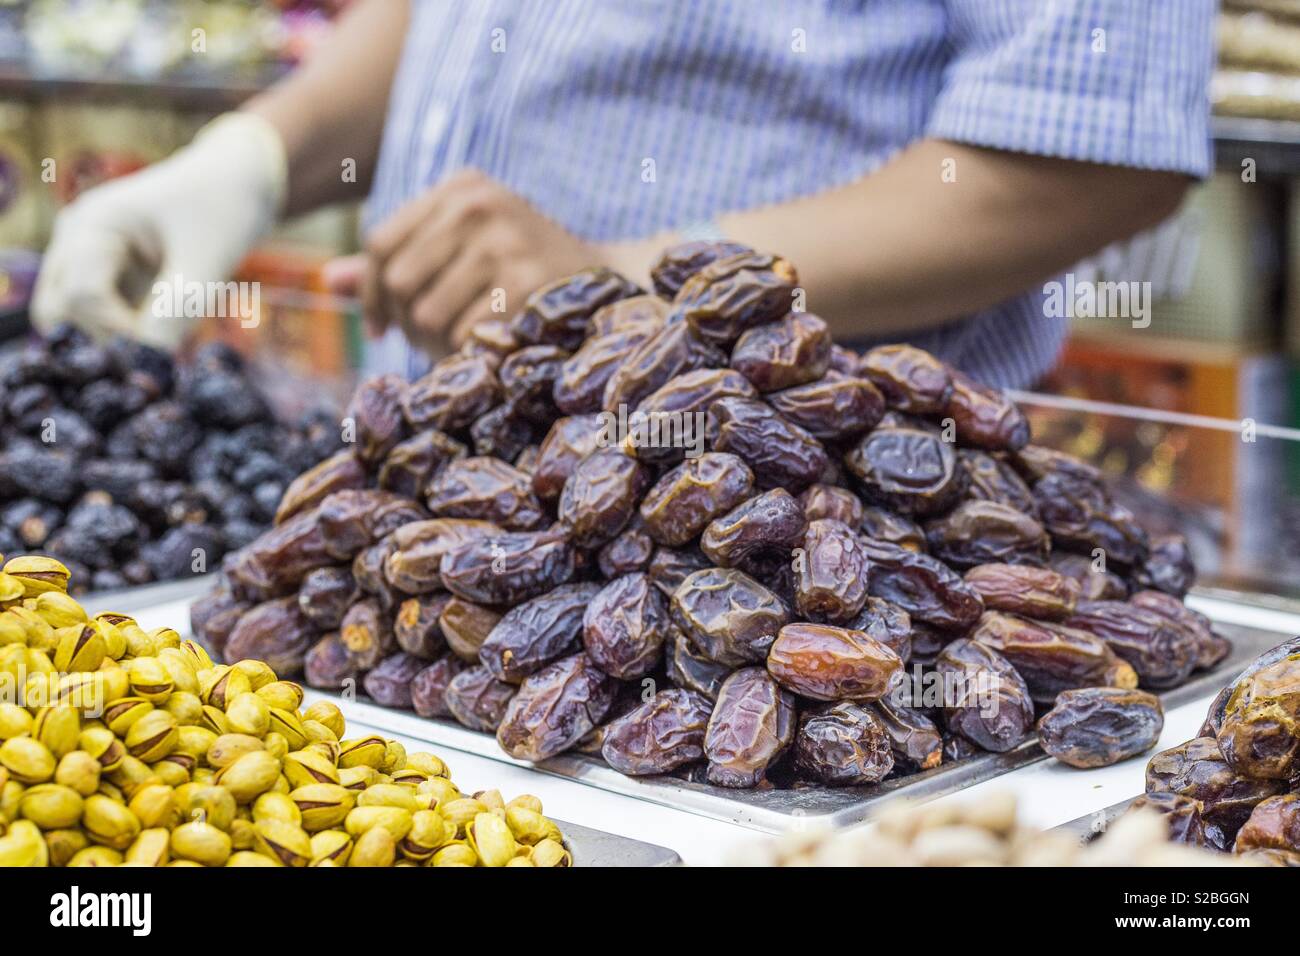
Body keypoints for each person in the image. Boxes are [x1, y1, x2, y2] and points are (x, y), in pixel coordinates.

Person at [33, 0, 1215, 388]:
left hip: (783, 568)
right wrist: (250, 159)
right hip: (444, 535)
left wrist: (629, 278)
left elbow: (1091, 148)